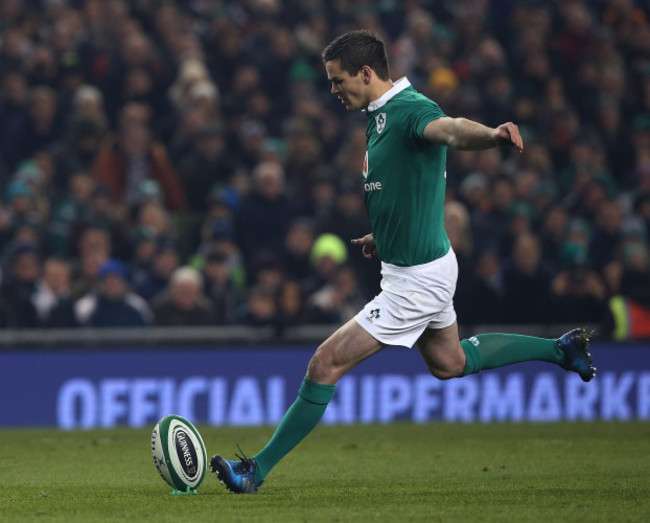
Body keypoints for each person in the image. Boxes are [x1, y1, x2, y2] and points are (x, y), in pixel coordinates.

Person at [210, 29, 596, 494]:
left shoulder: (411, 109)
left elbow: (450, 129)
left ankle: (256, 470)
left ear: (367, 73)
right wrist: (385, 237)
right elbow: (406, 185)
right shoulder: (378, 117)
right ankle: (560, 350)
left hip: (416, 280)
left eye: (338, 80)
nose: (333, 90)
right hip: (418, 262)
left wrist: (493, 135)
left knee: (324, 364)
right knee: (450, 362)